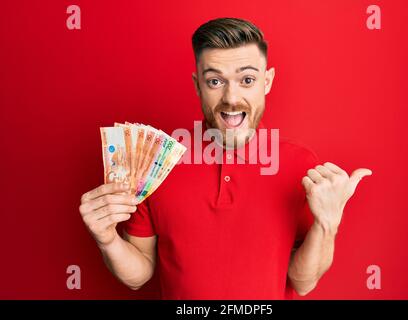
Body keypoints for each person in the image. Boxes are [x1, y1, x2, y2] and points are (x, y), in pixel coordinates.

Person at [79, 17, 372, 299]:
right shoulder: (157, 163)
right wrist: (107, 240)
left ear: (267, 81)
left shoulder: (302, 165)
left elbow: (302, 282)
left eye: (247, 79)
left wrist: (327, 224)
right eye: (215, 81)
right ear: (197, 85)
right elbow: (138, 275)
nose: (231, 98)